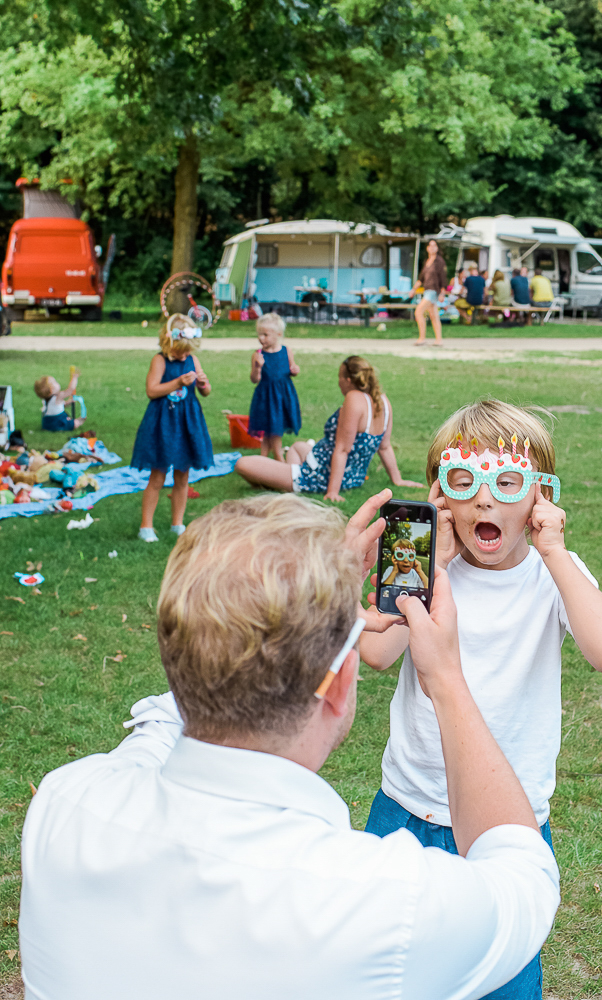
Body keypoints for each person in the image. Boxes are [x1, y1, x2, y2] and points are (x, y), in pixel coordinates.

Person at [19, 489, 560, 1000]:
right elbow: (522, 874)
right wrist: (445, 679)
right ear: (340, 684)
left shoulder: (65, 802)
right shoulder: (384, 902)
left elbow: (163, 719)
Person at [360, 399, 602, 1000]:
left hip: (511, 822)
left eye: (508, 483)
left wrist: (556, 552)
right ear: (441, 497)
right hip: (408, 806)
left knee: (503, 976)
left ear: (539, 497)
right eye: (465, 481)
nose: (485, 500)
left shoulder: (549, 575)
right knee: (393, 969)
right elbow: (376, 655)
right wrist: (428, 566)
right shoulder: (428, 573)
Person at [235, 355, 423, 502]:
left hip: (319, 476)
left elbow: (342, 450)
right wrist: (397, 480)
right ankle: (286, 479)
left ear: (348, 380)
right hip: (347, 474)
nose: (339, 382)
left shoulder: (354, 399)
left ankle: (291, 482)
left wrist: (332, 491)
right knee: (297, 447)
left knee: (242, 464)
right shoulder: (382, 399)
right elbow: (384, 446)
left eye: (340, 378)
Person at [130, 313, 212, 543]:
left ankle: (178, 523)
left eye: (187, 351)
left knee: (183, 476)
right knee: (157, 475)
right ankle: (146, 526)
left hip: (187, 423)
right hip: (163, 423)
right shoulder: (159, 360)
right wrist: (177, 382)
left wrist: (204, 384)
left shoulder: (192, 360)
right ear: (168, 343)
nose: (183, 356)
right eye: (179, 352)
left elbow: (205, 392)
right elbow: (152, 390)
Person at [248, 312, 301, 461]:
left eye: (265, 334)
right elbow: (254, 379)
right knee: (269, 427)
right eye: (259, 334)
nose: (261, 338)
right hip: (265, 397)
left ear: (278, 334)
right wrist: (258, 368)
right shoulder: (258, 355)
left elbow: (291, 369)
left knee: (275, 427)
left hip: (283, 396)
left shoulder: (286, 350)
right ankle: (278, 457)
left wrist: (295, 370)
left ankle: (265, 458)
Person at [408, 239, 447, 345]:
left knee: (419, 311)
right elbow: (421, 279)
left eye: (434, 245)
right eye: (430, 245)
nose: (432, 247)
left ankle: (422, 338)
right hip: (427, 290)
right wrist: (413, 289)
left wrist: (443, 293)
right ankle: (438, 340)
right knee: (434, 316)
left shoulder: (439, 261)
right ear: (427, 248)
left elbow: (443, 278)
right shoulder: (427, 262)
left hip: (433, 291)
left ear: (437, 248)